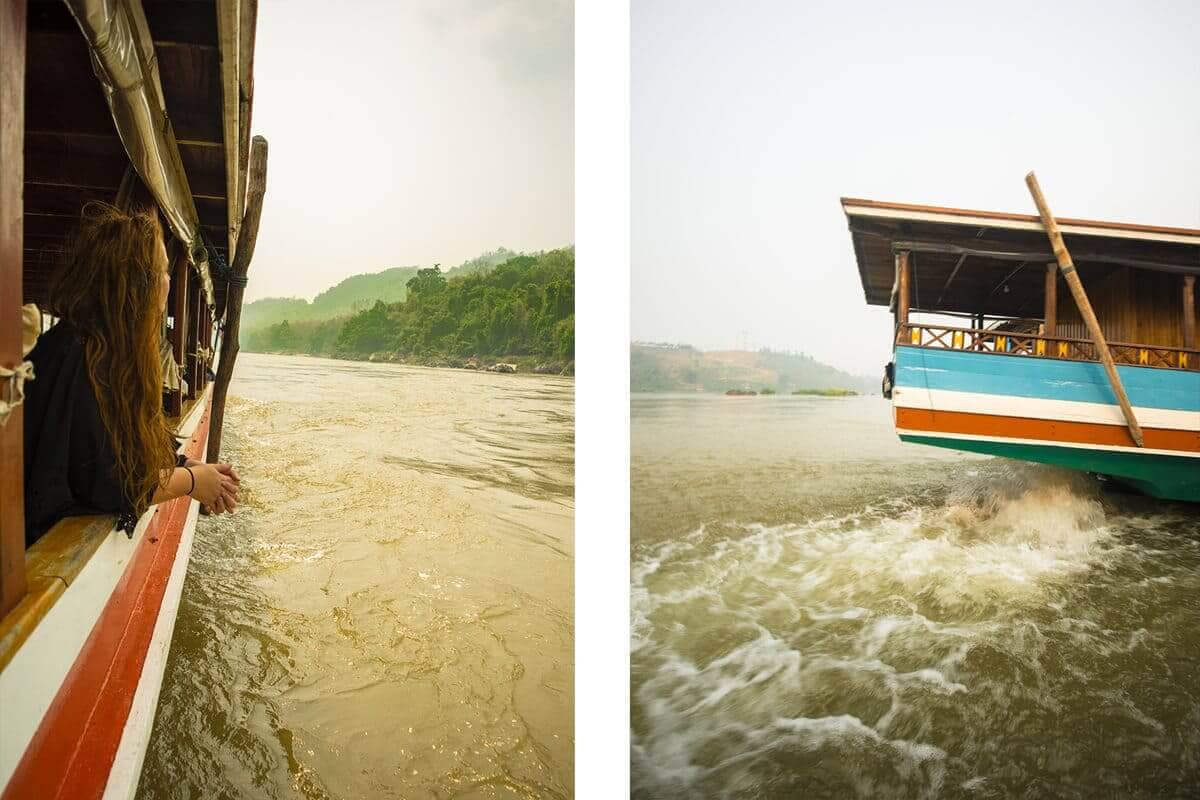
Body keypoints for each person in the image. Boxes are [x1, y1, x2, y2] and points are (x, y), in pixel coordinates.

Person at [22, 203, 240, 547]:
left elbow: (123, 444)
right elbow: (109, 481)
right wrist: (193, 482)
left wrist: (186, 462)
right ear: (137, 282)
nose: (168, 282)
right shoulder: (81, 356)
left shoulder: (100, 347)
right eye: (163, 270)